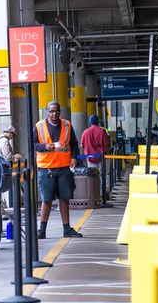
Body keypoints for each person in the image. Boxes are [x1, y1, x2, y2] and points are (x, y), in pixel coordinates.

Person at [34, 101, 82, 239]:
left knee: (64, 199)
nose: (54, 114)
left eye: (56, 111)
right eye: (51, 111)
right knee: (47, 200)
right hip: (46, 168)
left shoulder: (67, 125)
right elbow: (33, 143)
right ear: (47, 112)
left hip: (64, 167)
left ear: (60, 112)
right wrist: (44, 147)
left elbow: (74, 143)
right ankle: (41, 230)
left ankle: (67, 229)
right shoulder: (39, 126)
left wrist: (74, 157)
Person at [80, 115, 110, 197]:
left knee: (93, 176)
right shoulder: (102, 131)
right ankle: (105, 192)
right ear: (98, 121)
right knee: (105, 175)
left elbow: (82, 145)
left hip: (90, 158)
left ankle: (95, 193)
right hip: (102, 157)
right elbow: (106, 145)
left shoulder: (85, 132)